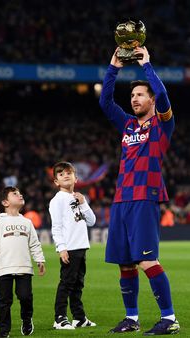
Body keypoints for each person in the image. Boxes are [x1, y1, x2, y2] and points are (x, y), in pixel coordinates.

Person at [99, 47, 180, 335]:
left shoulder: (162, 126)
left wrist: (147, 66)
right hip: (121, 199)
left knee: (147, 260)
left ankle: (169, 319)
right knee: (125, 263)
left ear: (152, 99)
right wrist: (114, 67)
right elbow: (106, 102)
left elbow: (166, 98)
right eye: (132, 96)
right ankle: (131, 319)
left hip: (145, 197)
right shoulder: (127, 125)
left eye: (140, 95)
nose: (134, 99)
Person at [0, 186, 46, 338]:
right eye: (15, 194)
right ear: (5, 202)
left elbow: (34, 243)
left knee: (25, 297)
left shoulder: (27, 222)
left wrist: (39, 260)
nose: (20, 195)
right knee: (4, 301)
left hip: (24, 267)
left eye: (20, 193)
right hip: (4, 268)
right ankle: (4, 331)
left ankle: (26, 319)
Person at [49, 161, 96, 330]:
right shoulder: (57, 200)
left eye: (69, 173)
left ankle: (79, 317)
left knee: (78, 284)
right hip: (70, 248)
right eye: (61, 174)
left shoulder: (78, 198)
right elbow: (56, 226)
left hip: (81, 247)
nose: (65, 175)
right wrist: (61, 248)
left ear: (76, 178)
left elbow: (92, 221)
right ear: (56, 182)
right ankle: (60, 318)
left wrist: (83, 202)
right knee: (67, 283)